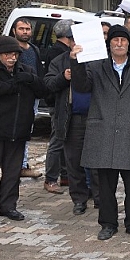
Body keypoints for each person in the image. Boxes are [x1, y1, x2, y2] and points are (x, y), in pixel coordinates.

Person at [70, 25, 130, 240]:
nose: (119, 43)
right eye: (115, 40)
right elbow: (81, 86)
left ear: (129, 44)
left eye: (123, 40)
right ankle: (108, 224)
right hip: (104, 133)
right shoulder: (96, 67)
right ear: (109, 44)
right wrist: (75, 61)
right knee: (106, 185)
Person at [0, 36, 47, 221]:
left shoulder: (25, 70)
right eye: (8, 55)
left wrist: (31, 79)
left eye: (15, 54)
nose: (12, 58)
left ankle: (8, 206)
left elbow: (43, 90)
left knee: (12, 173)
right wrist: (12, 85)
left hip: (18, 130)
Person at [44, 20, 100, 214]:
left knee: (97, 162)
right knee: (74, 162)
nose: (78, 42)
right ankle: (79, 199)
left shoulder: (97, 59)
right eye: (74, 39)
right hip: (72, 118)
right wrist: (63, 77)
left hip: (96, 118)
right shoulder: (59, 61)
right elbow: (48, 84)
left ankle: (100, 198)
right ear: (69, 41)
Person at [41, 20, 76, 191]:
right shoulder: (58, 57)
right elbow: (49, 82)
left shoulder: (91, 58)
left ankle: (67, 176)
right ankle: (51, 178)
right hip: (60, 105)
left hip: (79, 109)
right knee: (58, 141)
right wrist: (64, 77)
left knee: (69, 143)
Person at [9, 18, 45, 179]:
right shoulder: (10, 50)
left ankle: (22, 165)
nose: (25, 32)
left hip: (32, 97)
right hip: (16, 97)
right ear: (14, 31)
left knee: (27, 131)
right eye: (21, 28)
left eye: (27, 29)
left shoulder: (34, 49)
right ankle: (16, 165)